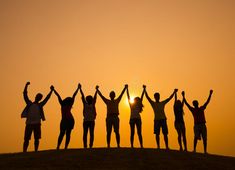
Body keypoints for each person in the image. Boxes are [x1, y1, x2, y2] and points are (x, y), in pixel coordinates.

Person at [21, 82, 53, 152]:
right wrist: (26, 86)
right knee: (26, 139)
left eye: (40, 97)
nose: (39, 98)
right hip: (29, 123)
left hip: (37, 124)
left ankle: (36, 151)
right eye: (38, 97)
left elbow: (47, 99)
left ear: (40, 99)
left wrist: (51, 91)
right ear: (35, 97)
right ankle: (24, 151)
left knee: (36, 138)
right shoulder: (30, 104)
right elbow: (25, 95)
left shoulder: (40, 105)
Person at [53, 84, 80, 150]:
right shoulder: (64, 104)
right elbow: (58, 96)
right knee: (64, 133)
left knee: (65, 133)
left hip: (68, 120)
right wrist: (53, 90)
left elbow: (73, 95)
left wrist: (78, 89)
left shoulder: (64, 104)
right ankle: (60, 146)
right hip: (67, 120)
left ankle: (63, 147)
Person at [79, 84, 98, 148]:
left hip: (91, 121)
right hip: (86, 121)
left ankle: (90, 145)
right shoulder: (85, 104)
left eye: (90, 99)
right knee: (85, 134)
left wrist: (96, 90)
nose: (89, 100)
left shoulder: (92, 104)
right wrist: (80, 89)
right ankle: (85, 145)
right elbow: (83, 96)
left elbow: (95, 97)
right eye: (88, 99)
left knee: (91, 134)